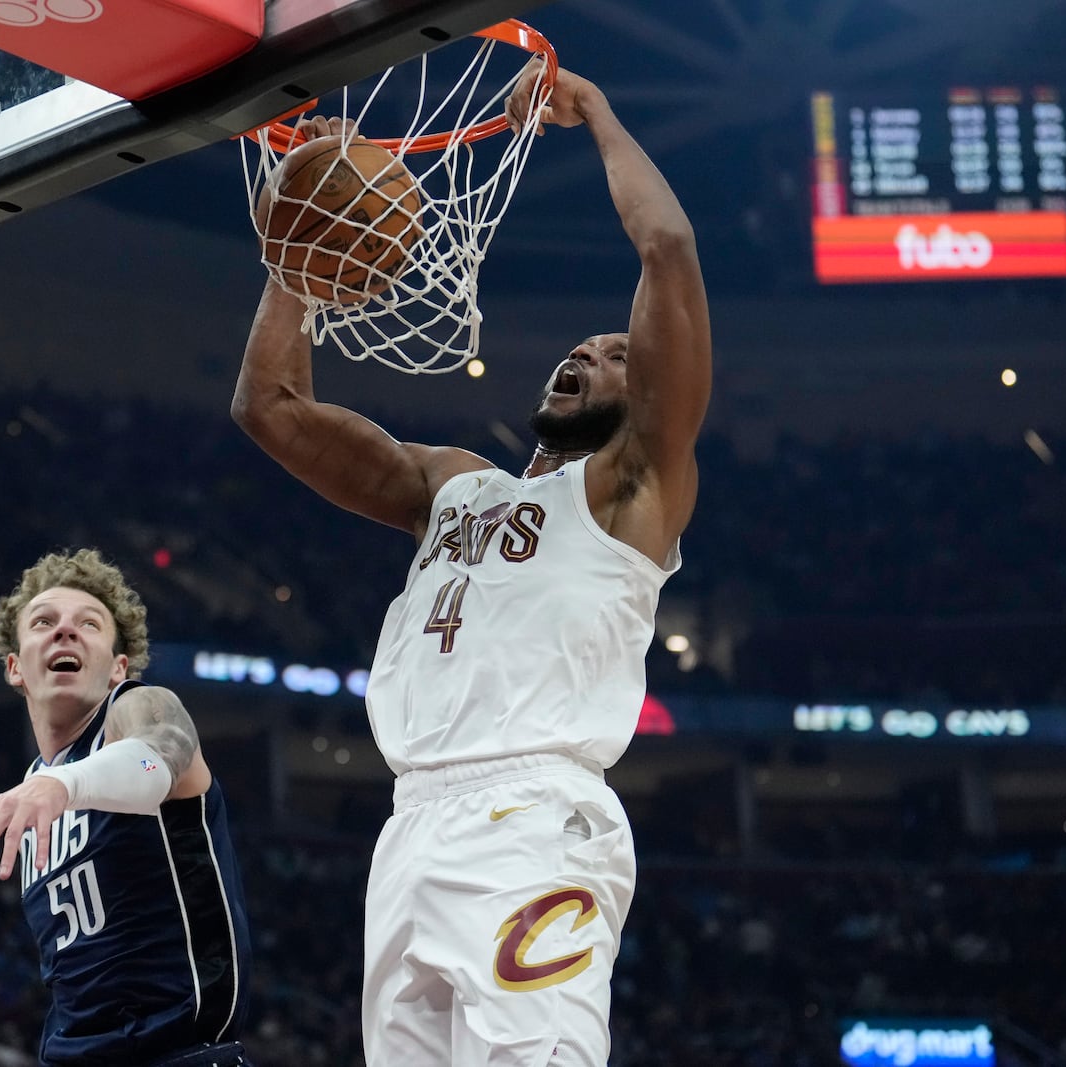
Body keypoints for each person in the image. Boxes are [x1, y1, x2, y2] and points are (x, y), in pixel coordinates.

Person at [231, 64, 711, 1065]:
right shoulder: (455, 482)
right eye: (580, 346)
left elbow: (665, 248)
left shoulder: (634, 491)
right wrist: (302, 246)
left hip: (537, 814)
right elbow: (268, 409)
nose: (588, 352)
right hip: (409, 825)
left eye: (618, 351)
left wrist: (606, 112)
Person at [0, 549, 253, 1067]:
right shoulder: (32, 792)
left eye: (89, 624)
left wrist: (63, 785)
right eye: (44, 622)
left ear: (117, 666)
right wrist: (53, 786)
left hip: (181, 1054)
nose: (65, 632)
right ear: (15, 667)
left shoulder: (137, 710)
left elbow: (163, 750)